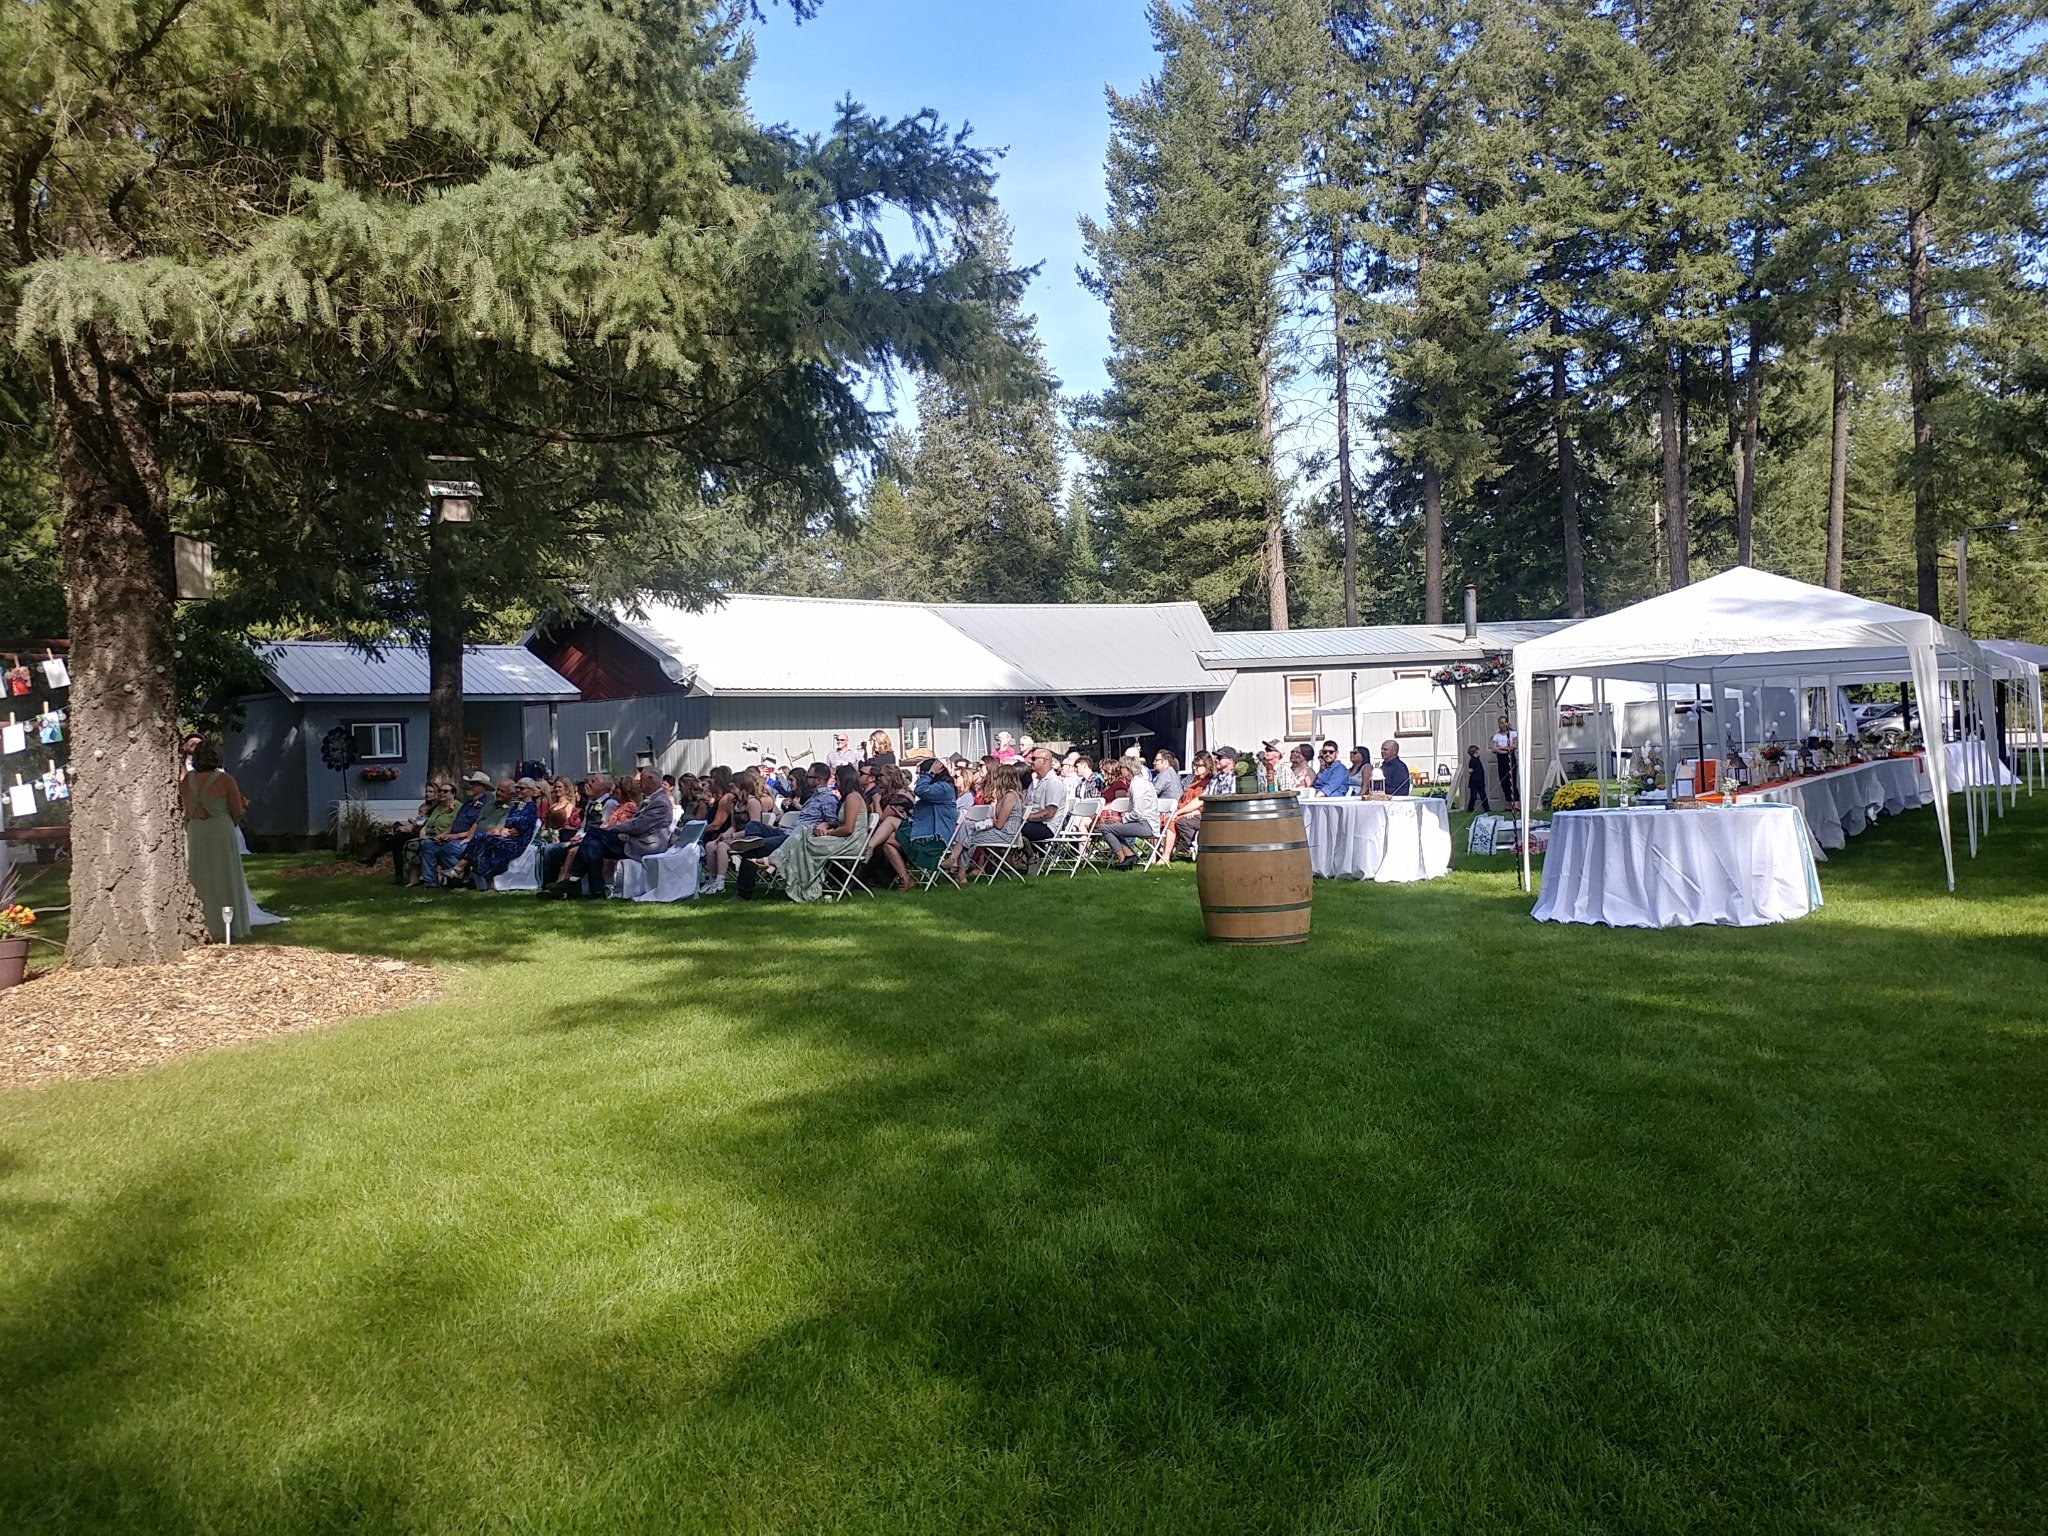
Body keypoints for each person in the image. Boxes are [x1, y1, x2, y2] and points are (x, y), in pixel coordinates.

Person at [545, 766, 673, 897]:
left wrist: (612, 830)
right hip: (634, 840)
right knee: (594, 844)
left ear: (651, 779)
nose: (639, 782)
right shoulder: (652, 799)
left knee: (594, 834)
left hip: (645, 845)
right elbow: (637, 824)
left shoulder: (660, 802)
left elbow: (638, 826)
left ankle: (574, 881)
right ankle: (596, 890)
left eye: (642, 779)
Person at [181, 739, 257, 942]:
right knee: (225, 874)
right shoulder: (225, 780)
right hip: (220, 829)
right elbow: (237, 811)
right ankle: (228, 924)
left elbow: (185, 810)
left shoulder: (186, 781)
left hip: (196, 829)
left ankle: (203, 920)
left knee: (199, 875)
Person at [770, 763, 872, 902]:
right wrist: (827, 826)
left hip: (851, 843)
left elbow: (848, 829)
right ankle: (779, 864)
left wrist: (828, 833)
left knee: (804, 838)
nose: (835, 784)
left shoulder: (852, 798)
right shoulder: (851, 797)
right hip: (846, 839)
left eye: (837, 780)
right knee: (804, 833)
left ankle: (777, 863)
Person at [452, 777, 542, 889]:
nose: (518, 790)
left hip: (517, 843)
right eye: (517, 788)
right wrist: (505, 830)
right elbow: (509, 824)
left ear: (531, 791)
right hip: (508, 838)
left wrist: (505, 830)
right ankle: (478, 881)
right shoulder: (517, 806)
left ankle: (461, 868)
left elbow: (519, 829)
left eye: (522, 788)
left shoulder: (530, 807)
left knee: (482, 838)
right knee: (482, 843)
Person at [945, 761, 1025, 879]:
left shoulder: (1010, 796)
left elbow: (999, 824)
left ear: (1003, 779)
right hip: (999, 832)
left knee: (968, 837)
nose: (994, 780)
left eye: (996, 777)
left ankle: (958, 868)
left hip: (1006, 835)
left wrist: (986, 822)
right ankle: (957, 866)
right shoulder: (1004, 796)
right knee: (967, 827)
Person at [420, 771, 491, 886]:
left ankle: (462, 879)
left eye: (474, 784)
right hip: (453, 837)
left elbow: (479, 827)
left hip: (468, 840)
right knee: (428, 845)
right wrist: (443, 835)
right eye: (471, 784)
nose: (470, 786)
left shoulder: (487, 805)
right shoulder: (467, 804)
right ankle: (430, 882)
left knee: (447, 849)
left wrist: (455, 836)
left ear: (483, 787)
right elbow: (454, 824)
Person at [1095, 761, 1160, 868]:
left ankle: (1123, 859)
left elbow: (1137, 813)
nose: (1119, 769)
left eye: (1122, 767)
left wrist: (1121, 819)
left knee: (1105, 828)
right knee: (1111, 827)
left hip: (1146, 825)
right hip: (1146, 823)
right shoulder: (1141, 782)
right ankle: (1129, 855)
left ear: (1129, 769)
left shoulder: (1137, 785)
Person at [1020, 746, 1071, 865]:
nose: (1030, 761)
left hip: (1047, 827)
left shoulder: (1053, 783)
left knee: (1014, 829)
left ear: (1044, 761)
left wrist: (1026, 817)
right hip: (1033, 823)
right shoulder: (1034, 783)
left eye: (1033, 758)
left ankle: (1026, 859)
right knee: (1009, 827)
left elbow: (1049, 812)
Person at [1157, 751, 1213, 860]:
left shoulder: (1209, 782)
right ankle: (1157, 854)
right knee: (1160, 820)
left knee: (1173, 821)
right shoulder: (1191, 779)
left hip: (1199, 813)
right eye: (1194, 765)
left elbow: (1202, 801)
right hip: (1184, 810)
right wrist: (1176, 811)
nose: (1194, 768)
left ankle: (1166, 856)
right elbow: (1183, 799)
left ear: (1207, 766)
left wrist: (1196, 811)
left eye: (1198, 765)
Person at [911, 755, 959, 844]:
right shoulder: (939, 788)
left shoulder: (944, 788)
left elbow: (920, 790)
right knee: (891, 838)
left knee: (891, 824)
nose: (920, 778)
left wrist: (930, 773)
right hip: (926, 835)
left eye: (922, 774)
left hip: (935, 838)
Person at [1491, 714, 1521, 810]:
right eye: (1501, 723)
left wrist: (1500, 748)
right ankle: (1508, 804)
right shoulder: (1497, 736)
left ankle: (1516, 804)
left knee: (1512, 781)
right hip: (1501, 759)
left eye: (1505, 722)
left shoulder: (1512, 733)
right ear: (1499, 725)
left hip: (1510, 759)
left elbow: (1513, 746)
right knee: (1504, 782)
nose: (1504, 724)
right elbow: (1493, 749)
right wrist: (1505, 750)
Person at [1463, 743, 1492, 812]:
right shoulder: (1472, 761)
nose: (1480, 753)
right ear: (1475, 752)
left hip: (1480, 781)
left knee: (1483, 796)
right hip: (1474, 782)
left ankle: (1487, 809)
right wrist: (1471, 770)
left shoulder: (1478, 760)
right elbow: (1470, 770)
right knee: (1473, 796)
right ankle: (1470, 809)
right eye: (1478, 751)